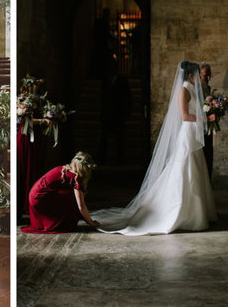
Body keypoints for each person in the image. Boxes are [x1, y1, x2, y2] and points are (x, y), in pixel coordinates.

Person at [92, 60, 217, 235]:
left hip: (193, 134)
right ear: (189, 75)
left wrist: (210, 108)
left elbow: (196, 110)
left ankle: (197, 212)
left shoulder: (192, 89)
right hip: (187, 134)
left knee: (196, 169)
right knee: (185, 170)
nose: (199, 77)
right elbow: (185, 116)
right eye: (197, 74)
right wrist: (206, 120)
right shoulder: (184, 90)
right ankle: (181, 212)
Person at [21, 151, 100, 234]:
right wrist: (91, 222)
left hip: (34, 196)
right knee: (74, 197)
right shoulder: (75, 178)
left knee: (72, 195)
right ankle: (62, 224)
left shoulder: (64, 169)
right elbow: (81, 206)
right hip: (39, 200)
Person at [199, 62, 214, 180]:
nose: (208, 78)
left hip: (208, 127)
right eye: (205, 75)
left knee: (209, 154)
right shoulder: (194, 90)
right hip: (198, 128)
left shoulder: (208, 88)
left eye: (209, 75)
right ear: (199, 75)